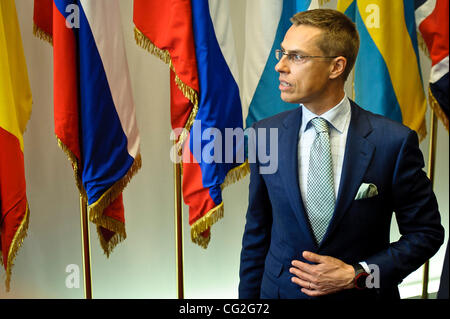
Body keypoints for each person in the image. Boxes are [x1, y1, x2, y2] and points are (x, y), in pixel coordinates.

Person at [239, 9, 444, 299]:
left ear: (336, 67)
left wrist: (358, 275)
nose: (280, 66)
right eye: (282, 54)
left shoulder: (393, 142)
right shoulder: (264, 135)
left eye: (297, 57)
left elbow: (427, 233)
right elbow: (256, 236)